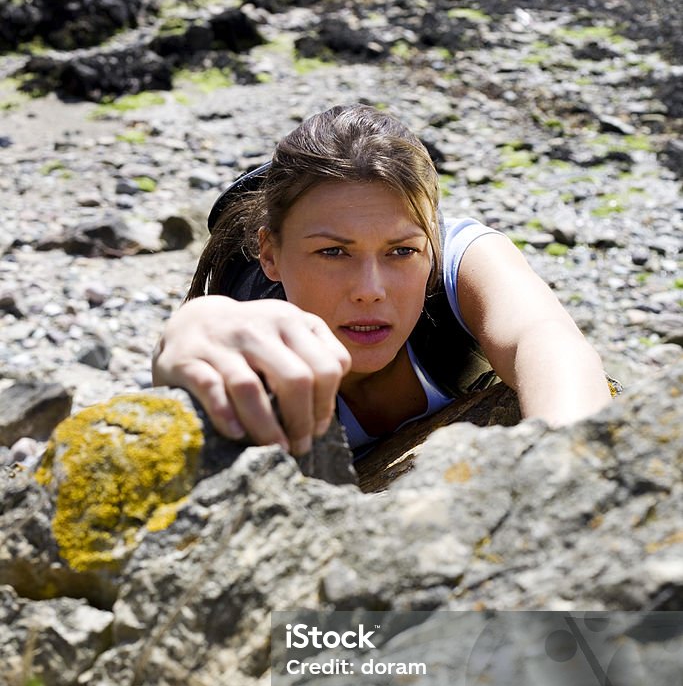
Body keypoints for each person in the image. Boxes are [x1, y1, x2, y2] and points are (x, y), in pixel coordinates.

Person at [152, 103, 612, 459]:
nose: (370, 288)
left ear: (431, 244)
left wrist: (565, 474)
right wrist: (184, 337)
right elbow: (197, 340)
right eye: (333, 252)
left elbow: (547, 340)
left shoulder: (465, 261)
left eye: (401, 251)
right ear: (270, 255)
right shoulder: (248, 324)